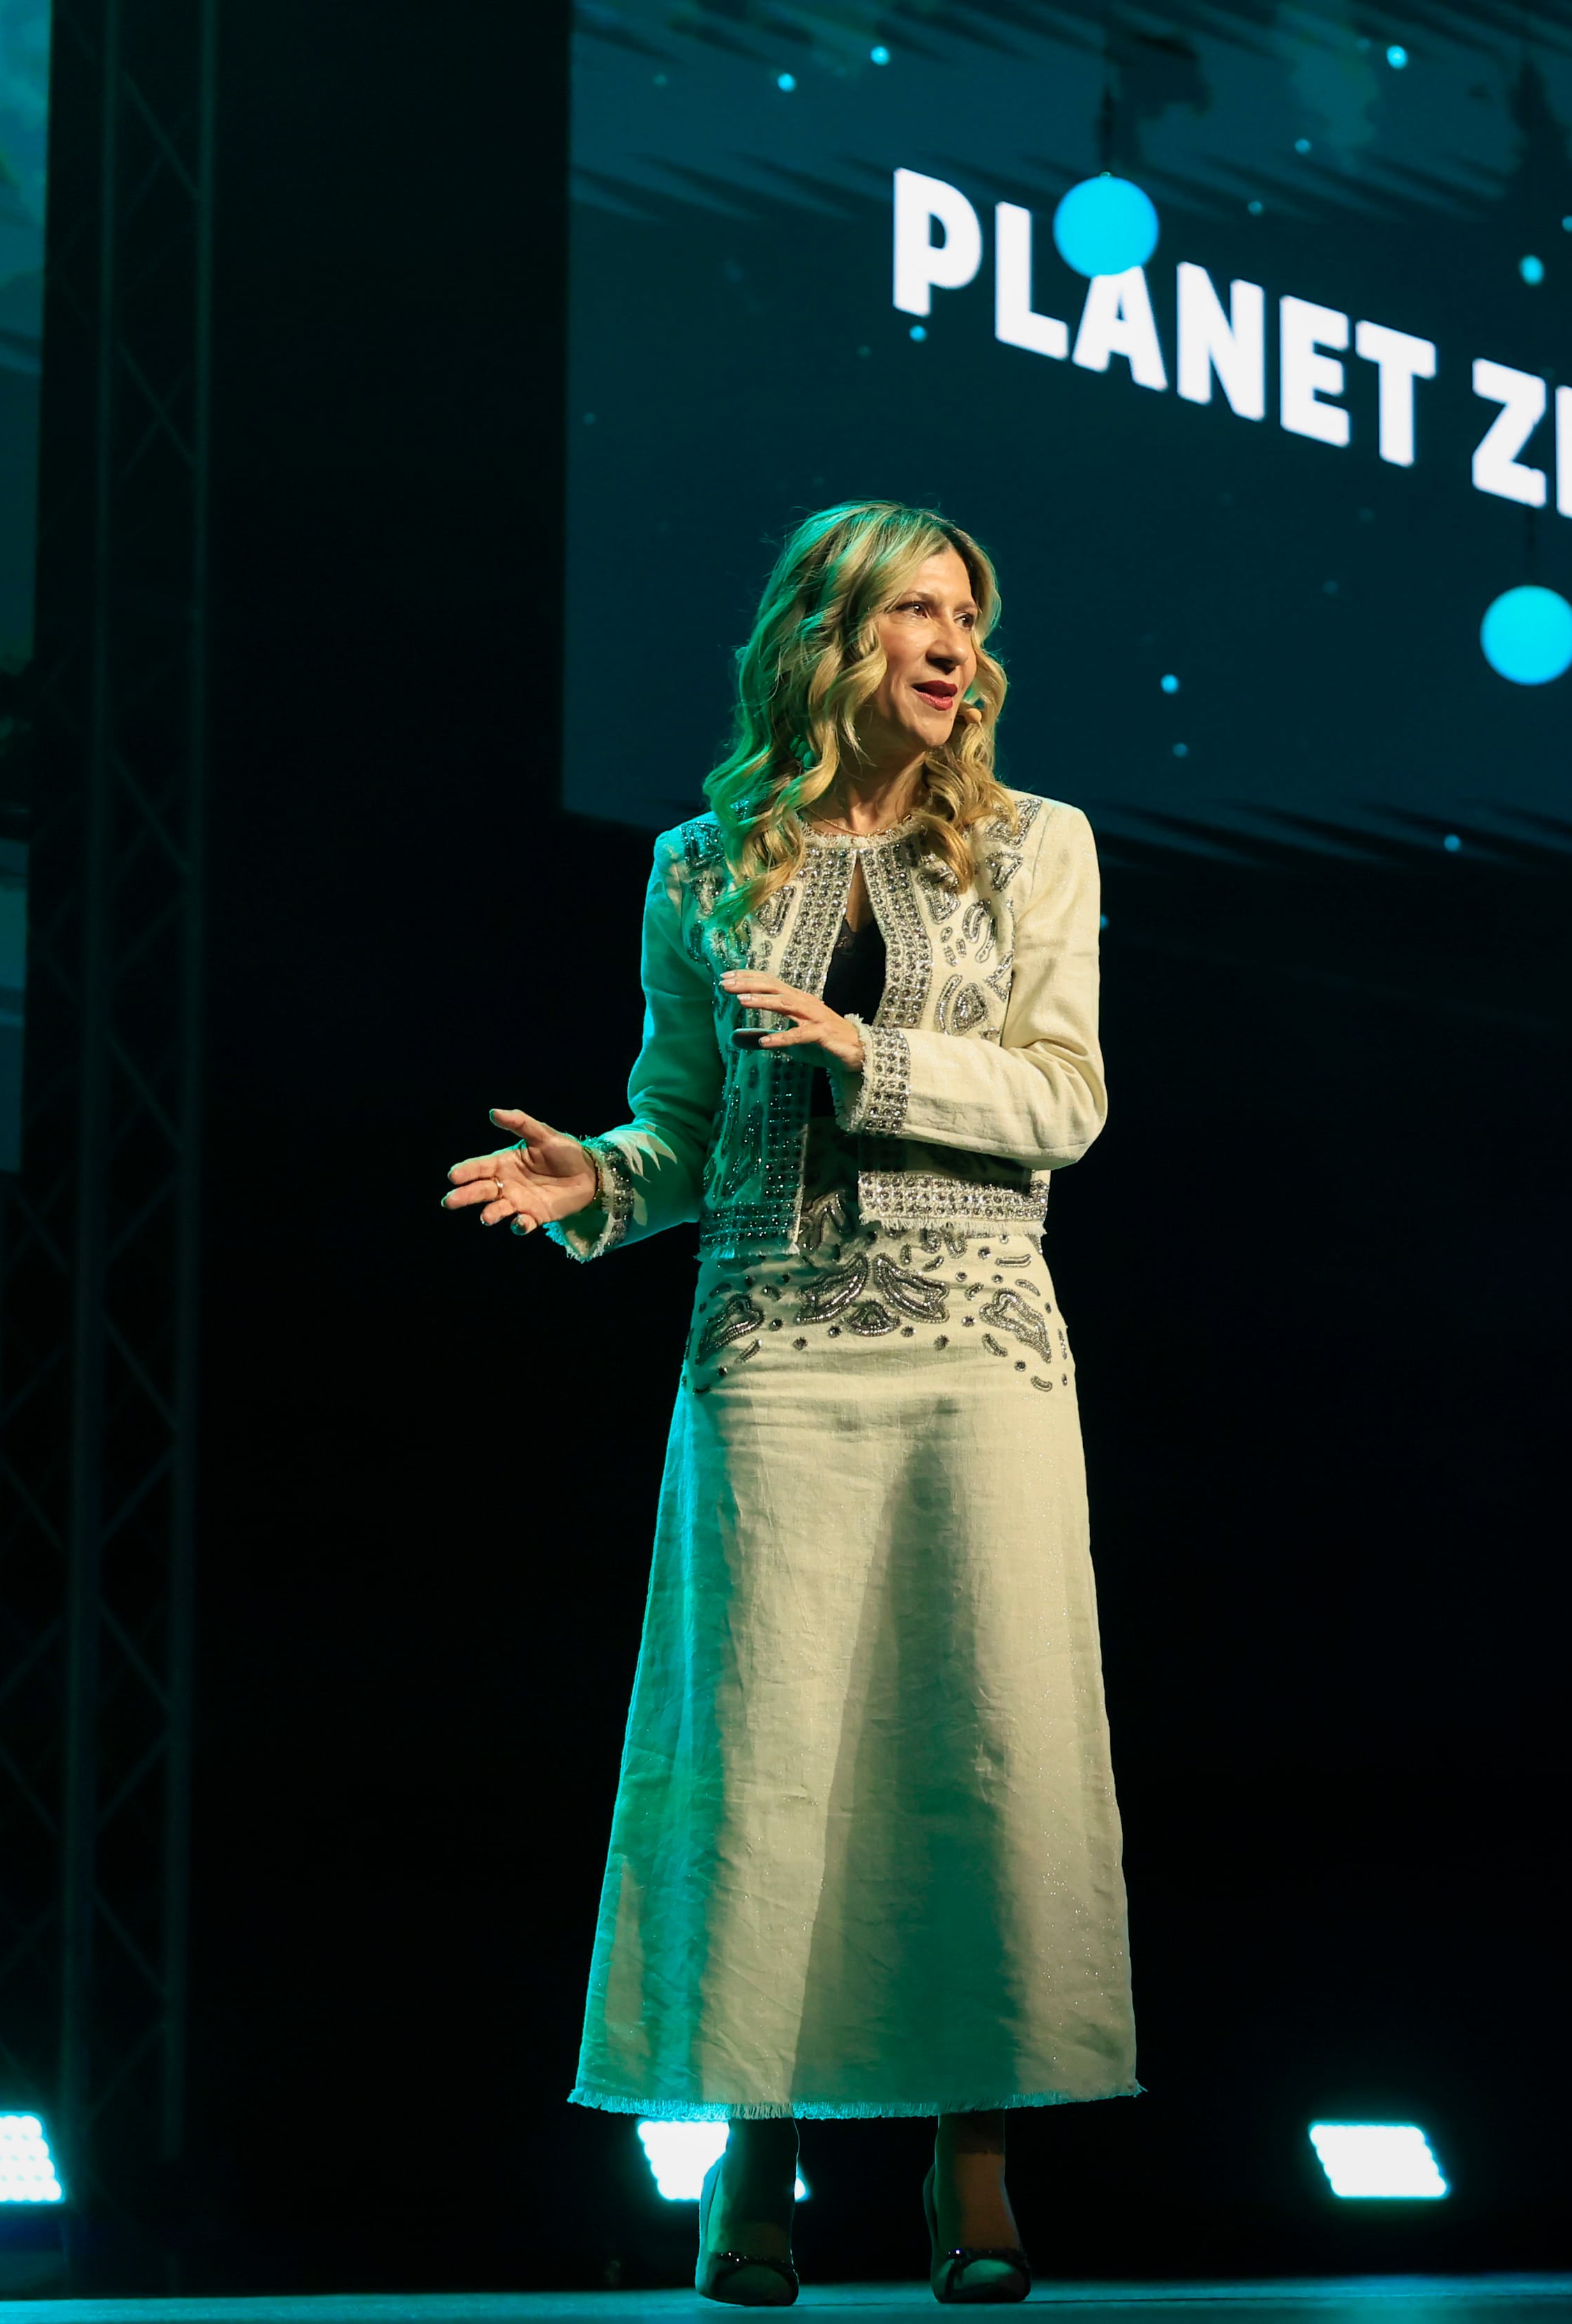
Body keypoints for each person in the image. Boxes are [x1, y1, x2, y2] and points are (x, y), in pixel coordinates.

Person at [442, 501, 1130, 2306]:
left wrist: (865, 1054)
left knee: (982, 1740)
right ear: (829, 637)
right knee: (761, 1749)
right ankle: (754, 2163)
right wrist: (599, 1179)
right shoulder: (701, 865)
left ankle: (973, 2172)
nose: (954, 643)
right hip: (770, 1354)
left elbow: (1065, 1102)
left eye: (969, 614)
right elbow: (684, 1124)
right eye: (917, 609)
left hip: (978, 1353)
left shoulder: (1038, 845)